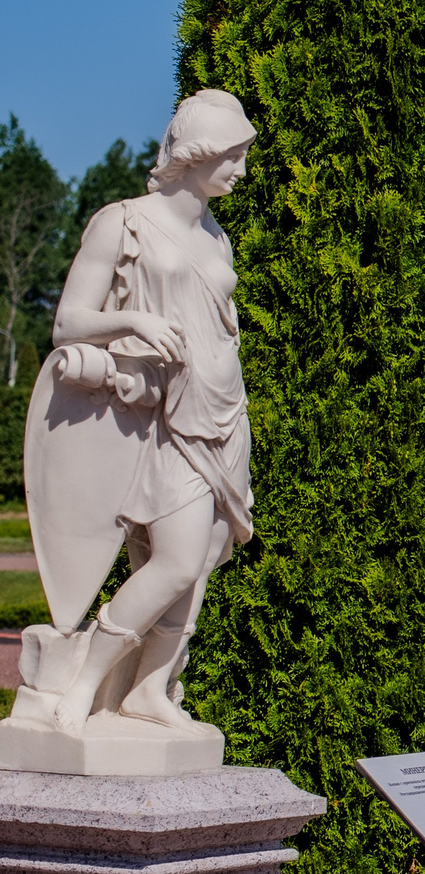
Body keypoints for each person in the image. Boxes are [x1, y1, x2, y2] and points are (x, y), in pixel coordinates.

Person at [26, 88, 257, 731]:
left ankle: (150, 689)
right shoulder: (122, 221)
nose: (240, 170)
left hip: (224, 409)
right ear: (197, 153)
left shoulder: (217, 237)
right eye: (233, 156)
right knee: (177, 556)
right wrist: (133, 318)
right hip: (166, 415)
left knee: (205, 556)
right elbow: (68, 323)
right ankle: (84, 685)